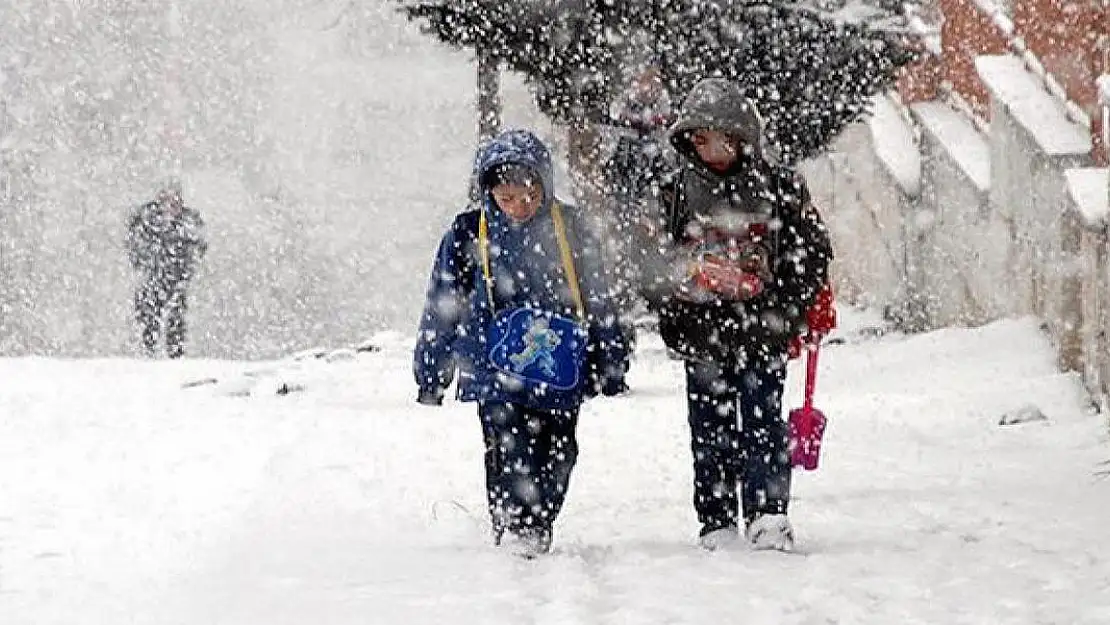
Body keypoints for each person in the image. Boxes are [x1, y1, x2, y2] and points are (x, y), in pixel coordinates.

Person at [636, 78, 834, 551]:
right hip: (701, 335)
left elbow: (811, 252)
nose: (711, 151)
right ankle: (717, 518)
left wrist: (781, 303)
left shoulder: (780, 187)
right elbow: (646, 259)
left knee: (763, 423)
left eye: (721, 139)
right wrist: (685, 285)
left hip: (763, 331)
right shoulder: (673, 192)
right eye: (699, 141)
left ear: (744, 136)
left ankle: (769, 513)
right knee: (710, 429)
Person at [413, 129, 628, 558]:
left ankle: (539, 517)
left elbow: (599, 294)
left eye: (528, 196)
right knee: (506, 445)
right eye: (506, 198)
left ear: (544, 186)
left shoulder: (571, 229)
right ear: (489, 192)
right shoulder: (467, 232)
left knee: (559, 449)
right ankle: (514, 522)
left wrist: (611, 359)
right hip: (493, 367)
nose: (518, 207)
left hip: (559, 365)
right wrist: (432, 372)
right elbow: (444, 302)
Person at [125, 179, 208, 359]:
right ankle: (148, 353)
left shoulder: (187, 224)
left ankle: (175, 355)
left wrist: (188, 268)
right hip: (152, 279)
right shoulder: (147, 221)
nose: (171, 205)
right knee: (149, 316)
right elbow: (135, 246)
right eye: (167, 199)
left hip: (177, 279)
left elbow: (199, 245)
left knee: (176, 317)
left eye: (175, 200)